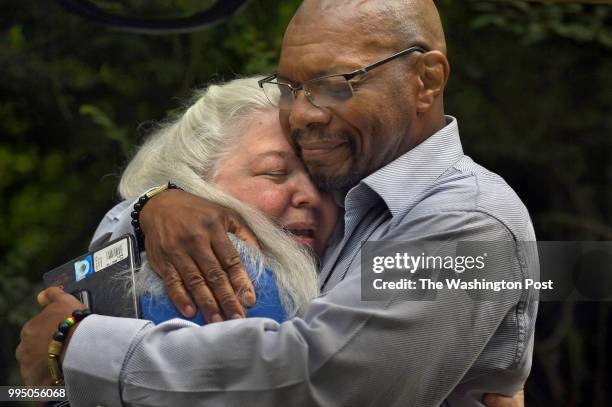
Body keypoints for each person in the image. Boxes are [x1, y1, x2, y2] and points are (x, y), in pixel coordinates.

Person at [17, 1, 536, 406]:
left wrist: (74, 345)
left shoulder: (466, 218)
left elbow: (318, 383)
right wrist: (156, 203)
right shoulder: (350, 182)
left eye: (334, 85)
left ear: (425, 81)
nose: (304, 114)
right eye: (291, 87)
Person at [114, 77, 337, 324]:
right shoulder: (243, 280)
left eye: (323, 178)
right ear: (196, 179)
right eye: (275, 172)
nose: (312, 196)